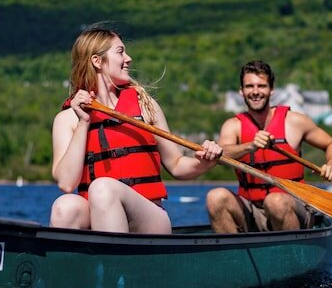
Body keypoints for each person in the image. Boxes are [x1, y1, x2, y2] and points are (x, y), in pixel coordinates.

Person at [50, 26, 223, 233]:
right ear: (97, 61)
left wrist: (204, 162)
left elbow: (177, 165)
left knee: (102, 188)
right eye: (120, 52)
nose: (129, 59)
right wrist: (83, 122)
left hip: (150, 218)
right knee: (65, 207)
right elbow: (67, 184)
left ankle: (117, 254)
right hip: (99, 211)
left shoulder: (145, 106)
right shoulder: (68, 119)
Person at [206, 60, 332, 233]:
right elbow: (221, 154)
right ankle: (234, 250)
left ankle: (291, 248)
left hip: (291, 207)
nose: (255, 92)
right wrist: (250, 146)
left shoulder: (294, 121)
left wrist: (331, 164)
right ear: (241, 91)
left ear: (271, 90)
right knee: (215, 197)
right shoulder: (233, 126)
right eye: (249, 86)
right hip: (252, 210)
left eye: (261, 86)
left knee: (275, 201)